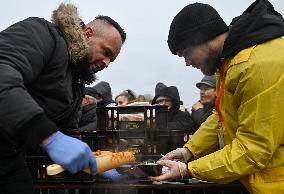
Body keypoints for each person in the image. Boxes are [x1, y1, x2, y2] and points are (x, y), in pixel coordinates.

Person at [150, 0, 284, 193]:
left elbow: (253, 149)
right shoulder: (230, 62)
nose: (188, 63)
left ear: (203, 38)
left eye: (186, 53)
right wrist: (189, 151)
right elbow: (221, 118)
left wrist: (188, 169)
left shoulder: (258, 65)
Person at [0, 3, 126, 194]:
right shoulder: (42, 34)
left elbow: (68, 132)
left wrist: (92, 165)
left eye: (112, 60)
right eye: (106, 52)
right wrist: (49, 136)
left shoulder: (76, 83)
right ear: (88, 33)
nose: (107, 63)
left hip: (9, 156)